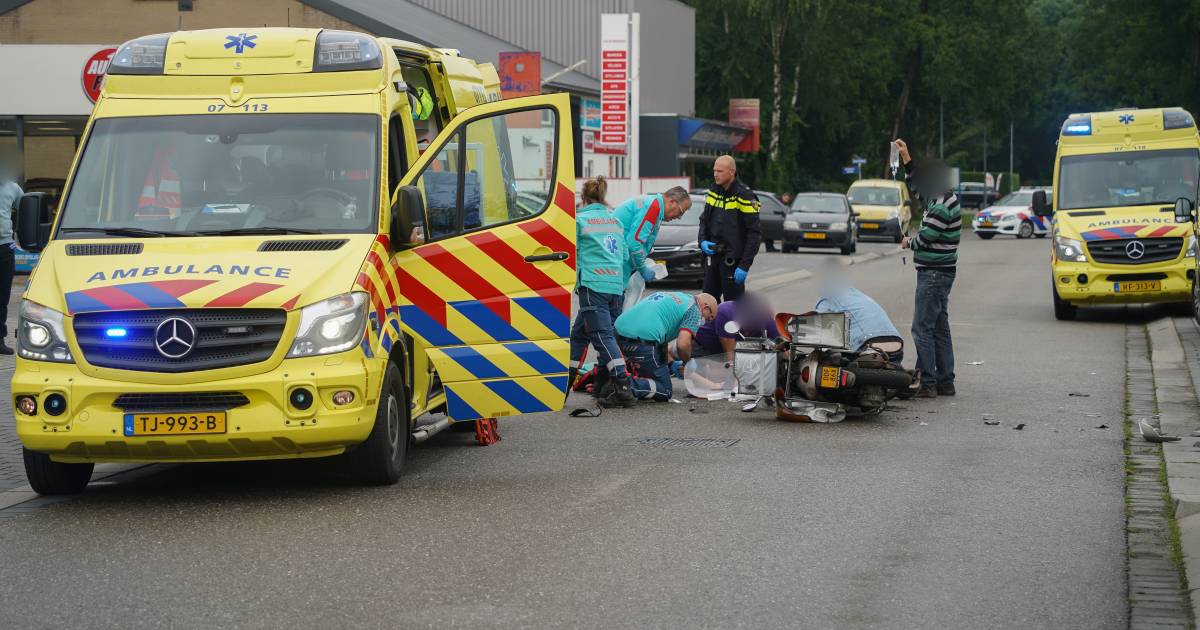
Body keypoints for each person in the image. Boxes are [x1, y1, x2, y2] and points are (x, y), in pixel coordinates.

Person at [896, 138, 959, 397]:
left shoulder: (942, 206)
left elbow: (926, 238)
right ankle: (946, 381)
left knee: (921, 328)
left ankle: (928, 383)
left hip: (933, 274)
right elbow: (917, 186)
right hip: (941, 272)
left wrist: (908, 242)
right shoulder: (939, 196)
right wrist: (906, 158)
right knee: (939, 327)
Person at [568, 177, 636, 407]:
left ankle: (622, 384)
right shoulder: (615, 221)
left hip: (592, 284)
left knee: (601, 336)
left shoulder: (579, 220)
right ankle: (568, 380)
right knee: (579, 334)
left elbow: (572, 252)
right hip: (615, 286)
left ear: (583, 198)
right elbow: (625, 255)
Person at [610, 291, 717, 404]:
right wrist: (688, 364)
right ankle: (623, 385)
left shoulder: (679, 297)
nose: (706, 322)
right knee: (665, 390)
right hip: (639, 342)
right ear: (705, 307)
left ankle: (608, 379)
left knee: (656, 367)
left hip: (616, 334)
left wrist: (671, 364)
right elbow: (683, 344)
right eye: (709, 318)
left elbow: (660, 337)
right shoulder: (694, 310)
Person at [699, 155, 761, 301]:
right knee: (707, 303)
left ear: (732, 172)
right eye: (714, 170)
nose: (715, 174)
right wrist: (702, 241)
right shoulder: (714, 191)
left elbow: (754, 233)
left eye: (720, 171)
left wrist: (744, 265)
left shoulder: (745, 195)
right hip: (713, 258)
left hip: (732, 261)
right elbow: (704, 220)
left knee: (733, 310)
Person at [814, 275, 904, 362]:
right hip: (897, 347)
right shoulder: (858, 296)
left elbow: (823, 332)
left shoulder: (827, 297)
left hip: (869, 346)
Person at [612, 187, 691, 284]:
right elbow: (634, 245)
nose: (679, 217)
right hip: (616, 264)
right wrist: (642, 268)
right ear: (672, 202)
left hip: (615, 258)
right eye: (681, 212)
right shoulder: (652, 208)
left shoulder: (654, 205)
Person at [680, 293, 776, 365]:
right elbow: (730, 355)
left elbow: (782, 346)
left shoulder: (766, 320)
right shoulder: (726, 313)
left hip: (727, 352)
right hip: (702, 347)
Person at [0, 169, 21, 355]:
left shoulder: (12, 188)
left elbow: (28, 207)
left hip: (4, 248)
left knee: (2, 298)